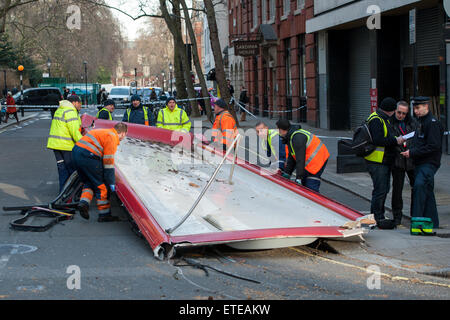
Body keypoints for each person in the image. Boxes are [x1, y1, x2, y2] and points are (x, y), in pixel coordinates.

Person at [400, 97, 444, 228]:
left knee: (419, 186)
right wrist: (410, 147)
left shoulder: (432, 123)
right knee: (427, 191)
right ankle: (432, 223)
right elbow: (420, 141)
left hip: (429, 163)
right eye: (414, 108)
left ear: (426, 107)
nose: (415, 111)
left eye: (418, 108)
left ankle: (418, 223)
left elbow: (433, 146)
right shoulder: (421, 122)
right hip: (420, 163)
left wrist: (412, 152)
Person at [73, 122, 128, 222]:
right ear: (123, 133)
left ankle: (84, 203)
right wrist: (111, 182)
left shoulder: (104, 132)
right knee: (101, 186)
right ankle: (104, 215)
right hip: (88, 156)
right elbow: (108, 162)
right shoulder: (112, 138)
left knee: (89, 181)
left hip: (76, 152)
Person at [364, 97, 405, 224]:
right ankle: (377, 217)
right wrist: (396, 140)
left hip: (381, 161)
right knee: (380, 190)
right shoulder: (377, 120)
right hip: (377, 161)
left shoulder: (379, 117)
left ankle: (376, 216)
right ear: (391, 111)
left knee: (382, 189)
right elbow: (378, 140)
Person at [276, 119, 329, 193]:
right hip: (313, 158)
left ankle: (314, 201)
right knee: (304, 183)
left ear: (281, 129)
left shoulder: (297, 138)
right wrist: (287, 173)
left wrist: (299, 178)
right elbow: (292, 157)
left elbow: (300, 159)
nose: (278, 132)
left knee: (311, 184)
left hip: (317, 158)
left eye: (278, 130)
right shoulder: (291, 137)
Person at [46, 95, 83, 191]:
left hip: (56, 146)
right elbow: (74, 131)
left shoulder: (60, 109)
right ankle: (72, 194)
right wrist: (84, 143)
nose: (81, 106)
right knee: (72, 172)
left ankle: (62, 195)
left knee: (62, 170)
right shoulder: (70, 112)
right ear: (74, 102)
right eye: (80, 103)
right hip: (66, 146)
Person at [391, 101, 417, 226]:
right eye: (399, 112)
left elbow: (417, 139)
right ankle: (397, 217)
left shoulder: (413, 123)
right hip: (398, 160)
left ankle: (415, 214)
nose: (401, 115)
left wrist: (411, 151)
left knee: (416, 188)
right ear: (395, 111)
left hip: (411, 159)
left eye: (404, 113)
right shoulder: (390, 123)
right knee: (397, 190)